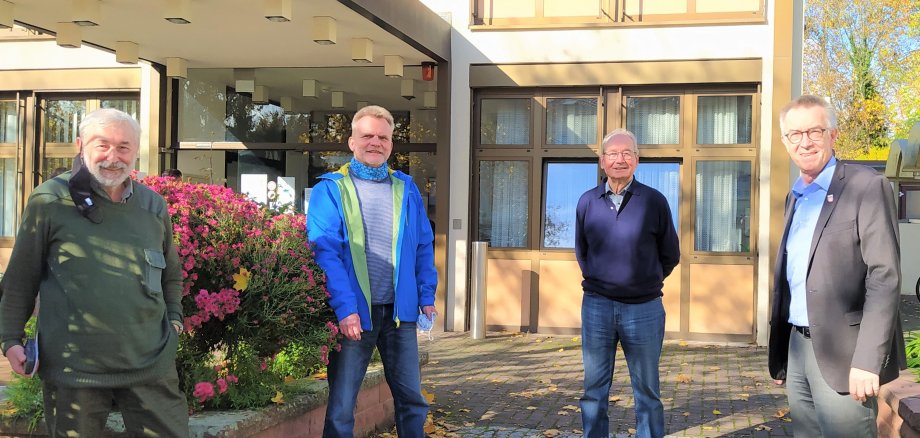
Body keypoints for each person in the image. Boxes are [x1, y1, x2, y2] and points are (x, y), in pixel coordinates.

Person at [0, 108, 189, 437]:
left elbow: (170, 273)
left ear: (135, 151)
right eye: (102, 145)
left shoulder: (152, 205)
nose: (113, 157)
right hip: (75, 371)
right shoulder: (50, 201)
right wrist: (9, 339)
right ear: (80, 145)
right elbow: (20, 278)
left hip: (150, 364)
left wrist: (174, 320)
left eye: (123, 147)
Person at [768, 95, 905, 437]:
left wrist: (867, 361)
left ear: (833, 134)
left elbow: (884, 277)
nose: (805, 142)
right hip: (798, 346)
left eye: (814, 131)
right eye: (794, 135)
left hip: (847, 353)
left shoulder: (865, 187)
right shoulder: (795, 195)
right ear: (785, 142)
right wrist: (782, 352)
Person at [307, 105, 436, 438]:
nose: (375, 142)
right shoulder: (330, 189)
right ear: (352, 142)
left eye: (383, 137)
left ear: (391, 144)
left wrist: (426, 295)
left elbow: (423, 245)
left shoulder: (406, 189)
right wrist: (345, 309)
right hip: (355, 317)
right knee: (341, 407)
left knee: (412, 401)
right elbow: (326, 253)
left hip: (399, 315)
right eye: (367, 136)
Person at [575, 128, 679, 438]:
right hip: (597, 308)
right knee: (594, 389)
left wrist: (644, 282)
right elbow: (582, 252)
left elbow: (670, 254)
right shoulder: (587, 202)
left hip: (644, 309)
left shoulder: (654, 201)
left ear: (636, 159)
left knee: (647, 390)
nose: (620, 159)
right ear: (602, 160)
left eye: (627, 153)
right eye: (613, 153)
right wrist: (601, 281)